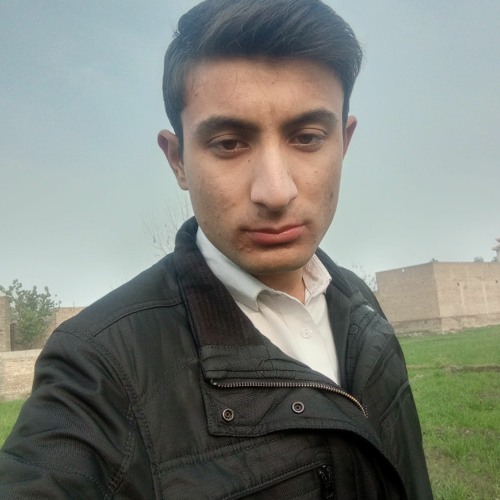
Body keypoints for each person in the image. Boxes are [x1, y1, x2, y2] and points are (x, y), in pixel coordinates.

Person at [0, 0, 433, 498]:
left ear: (345, 140)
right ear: (178, 160)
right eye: (229, 143)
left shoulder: (359, 303)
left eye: (308, 137)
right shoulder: (98, 368)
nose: (275, 191)